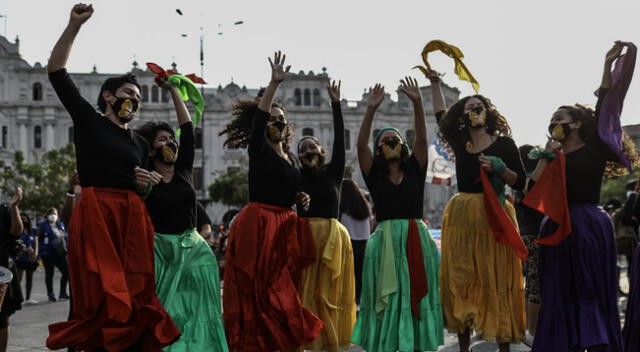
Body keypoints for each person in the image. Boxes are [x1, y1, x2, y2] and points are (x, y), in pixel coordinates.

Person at [46, 4, 179, 351]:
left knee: (135, 290)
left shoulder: (138, 141)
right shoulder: (90, 123)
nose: (133, 102)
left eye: (137, 99)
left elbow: (156, 175)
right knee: (96, 288)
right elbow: (57, 72)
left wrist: (144, 184)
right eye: (127, 95)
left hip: (131, 217)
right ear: (108, 96)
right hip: (98, 214)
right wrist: (73, 26)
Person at [526, 41, 638, 352]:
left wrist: (607, 66)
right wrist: (545, 159)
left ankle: (596, 341)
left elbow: (606, 104)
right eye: (552, 118)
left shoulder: (595, 149)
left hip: (589, 225)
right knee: (560, 293)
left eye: (561, 117)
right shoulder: (549, 155)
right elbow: (530, 193)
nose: (555, 122)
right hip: (556, 228)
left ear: (576, 124)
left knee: (589, 290)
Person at [219, 51, 322, 351]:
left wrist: (300, 196)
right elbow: (261, 117)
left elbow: (290, 188)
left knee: (283, 288)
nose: (276, 123)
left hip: (286, 226)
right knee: (259, 289)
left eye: (282, 120)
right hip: (260, 224)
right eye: (272, 119)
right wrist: (274, 84)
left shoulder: (290, 157)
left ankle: (280, 339)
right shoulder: (259, 150)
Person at [427, 69, 527, 351]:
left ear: (488, 112)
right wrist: (435, 84)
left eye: (479, 107)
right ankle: (463, 347)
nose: (474, 111)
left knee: (499, 277)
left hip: (496, 213)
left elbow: (521, 182)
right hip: (463, 215)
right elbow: (440, 116)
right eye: (469, 108)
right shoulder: (461, 143)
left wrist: (500, 168)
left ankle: (504, 345)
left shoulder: (505, 144)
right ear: (463, 116)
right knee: (463, 278)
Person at [351, 79, 443, 351]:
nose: (390, 142)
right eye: (384, 141)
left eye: (395, 140)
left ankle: (414, 343)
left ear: (403, 145)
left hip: (415, 236)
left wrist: (417, 103)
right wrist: (370, 111)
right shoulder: (374, 175)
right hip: (385, 240)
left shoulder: (416, 168)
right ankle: (389, 342)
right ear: (379, 149)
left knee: (415, 291)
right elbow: (360, 148)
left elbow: (423, 138)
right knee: (387, 297)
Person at [136, 76, 227, 352]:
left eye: (170, 140)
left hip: (196, 252)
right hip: (162, 253)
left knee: (202, 313)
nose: (171, 143)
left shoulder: (184, 170)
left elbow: (187, 128)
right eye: (163, 140)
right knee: (169, 314)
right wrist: (143, 186)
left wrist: (174, 90)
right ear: (151, 150)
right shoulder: (143, 179)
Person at [296, 80, 356, 352]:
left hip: (333, 239)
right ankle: (304, 343)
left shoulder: (334, 171)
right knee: (305, 294)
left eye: (312, 147)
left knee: (331, 295)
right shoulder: (295, 177)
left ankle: (330, 344)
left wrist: (336, 103)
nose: (308, 151)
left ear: (323, 151)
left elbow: (340, 135)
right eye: (303, 149)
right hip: (305, 239)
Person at [514, 145, 544, 347]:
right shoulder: (530, 179)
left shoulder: (518, 180)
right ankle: (531, 330)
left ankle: (528, 327)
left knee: (529, 284)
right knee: (535, 284)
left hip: (523, 236)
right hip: (534, 236)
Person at [339, 179, 372, 304]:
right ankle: (359, 301)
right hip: (364, 244)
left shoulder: (344, 208)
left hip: (350, 244)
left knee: (349, 276)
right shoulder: (365, 207)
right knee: (360, 276)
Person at [0, 188, 24, 352]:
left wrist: (14, 207)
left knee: (1, 318)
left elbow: (16, 231)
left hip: (1, 269)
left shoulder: (4, 209)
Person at [37, 208, 69, 302]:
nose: (53, 215)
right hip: (48, 253)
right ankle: (50, 294)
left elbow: (65, 236)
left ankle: (62, 293)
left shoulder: (60, 225)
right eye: (51, 213)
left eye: (55, 213)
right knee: (49, 274)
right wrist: (38, 252)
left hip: (60, 253)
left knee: (66, 272)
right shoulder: (43, 225)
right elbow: (37, 238)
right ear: (47, 215)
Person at [15, 213, 38, 305]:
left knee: (29, 279)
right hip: (20, 258)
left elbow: (36, 244)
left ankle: (28, 298)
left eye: (25, 219)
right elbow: (15, 243)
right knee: (18, 279)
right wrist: (24, 249)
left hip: (30, 259)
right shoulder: (17, 231)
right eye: (21, 219)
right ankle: (18, 299)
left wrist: (35, 254)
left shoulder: (33, 231)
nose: (24, 221)